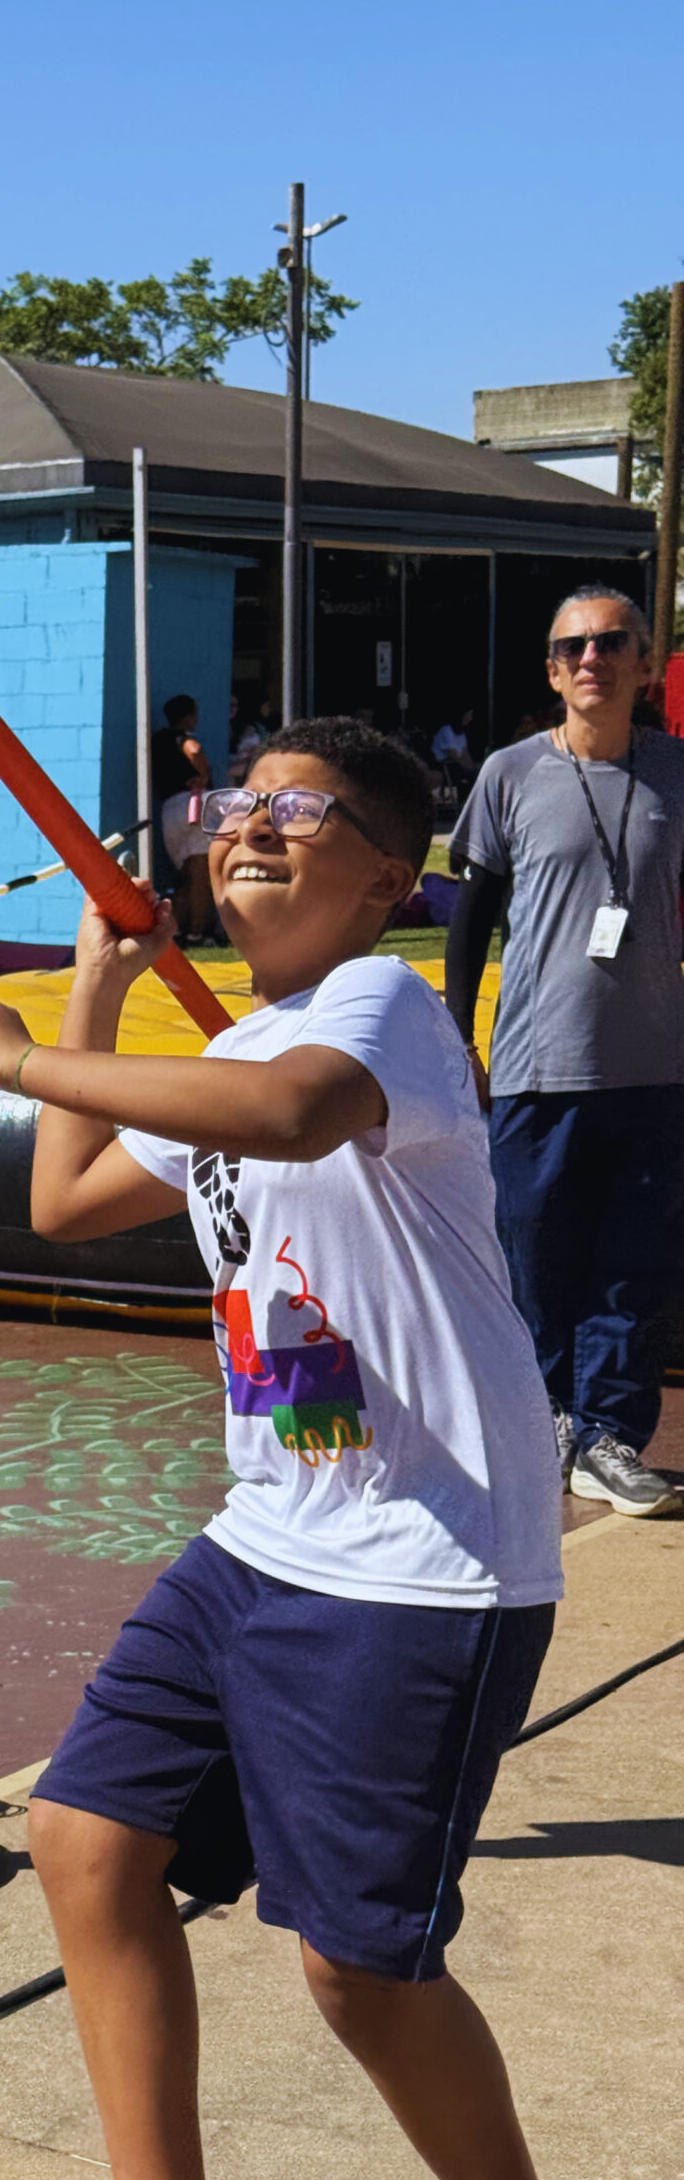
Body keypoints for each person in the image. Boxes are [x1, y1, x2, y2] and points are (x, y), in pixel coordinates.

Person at [0, 718, 603, 2180]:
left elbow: (290, 1116)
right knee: (84, 1840)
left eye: (304, 810)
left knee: (358, 1968)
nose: (252, 827)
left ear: (389, 878)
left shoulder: (381, 1013)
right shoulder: (242, 1042)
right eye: (238, 805)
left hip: (422, 1565)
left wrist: (20, 1057)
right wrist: (91, 992)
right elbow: (69, 1205)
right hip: (266, 1530)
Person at [447, 585, 684, 1519]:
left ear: (643, 664)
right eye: (574, 646)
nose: (593, 658)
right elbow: (472, 917)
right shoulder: (510, 774)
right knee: (535, 1262)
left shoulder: (676, 773)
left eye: (612, 642)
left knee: (634, 1267)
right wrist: (458, 1033)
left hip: (655, 1066)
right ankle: (540, 1422)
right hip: (539, 1067)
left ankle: (609, 1439)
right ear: (552, 671)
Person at [150, 695, 214, 944]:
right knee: (200, 872)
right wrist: (204, 774)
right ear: (189, 717)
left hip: (169, 809)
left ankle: (176, 931)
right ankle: (197, 933)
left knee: (183, 875)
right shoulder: (181, 737)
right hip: (193, 804)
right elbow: (194, 750)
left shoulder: (157, 740)